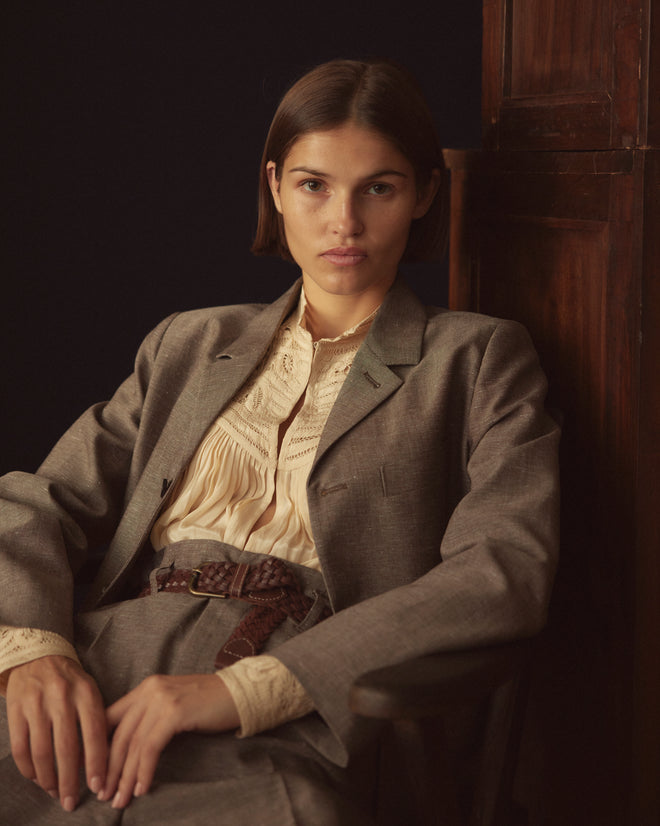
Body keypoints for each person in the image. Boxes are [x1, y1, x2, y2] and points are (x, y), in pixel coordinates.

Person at [0, 58, 560, 824]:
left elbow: (504, 570)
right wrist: (34, 653)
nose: (344, 222)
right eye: (314, 185)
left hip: (304, 703)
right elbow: (37, 501)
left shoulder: (479, 358)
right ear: (275, 188)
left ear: (425, 194)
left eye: (380, 188)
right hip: (102, 665)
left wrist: (246, 689)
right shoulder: (188, 345)